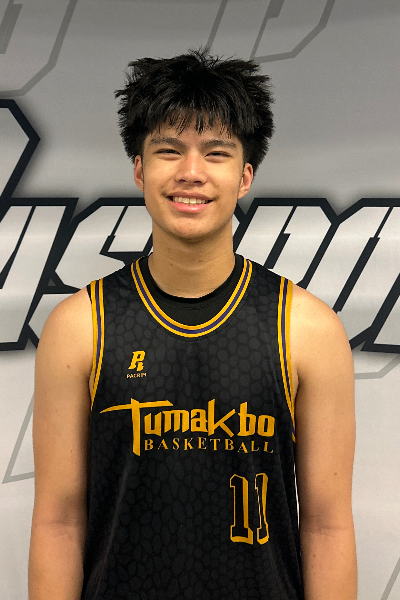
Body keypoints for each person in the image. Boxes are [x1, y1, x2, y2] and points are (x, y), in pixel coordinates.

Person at [29, 49, 357, 600]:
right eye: (168, 150)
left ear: (245, 176)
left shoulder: (306, 328)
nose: (191, 173)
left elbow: (327, 526)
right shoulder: (81, 326)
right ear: (139, 168)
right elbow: (58, 521)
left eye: (216, 153)